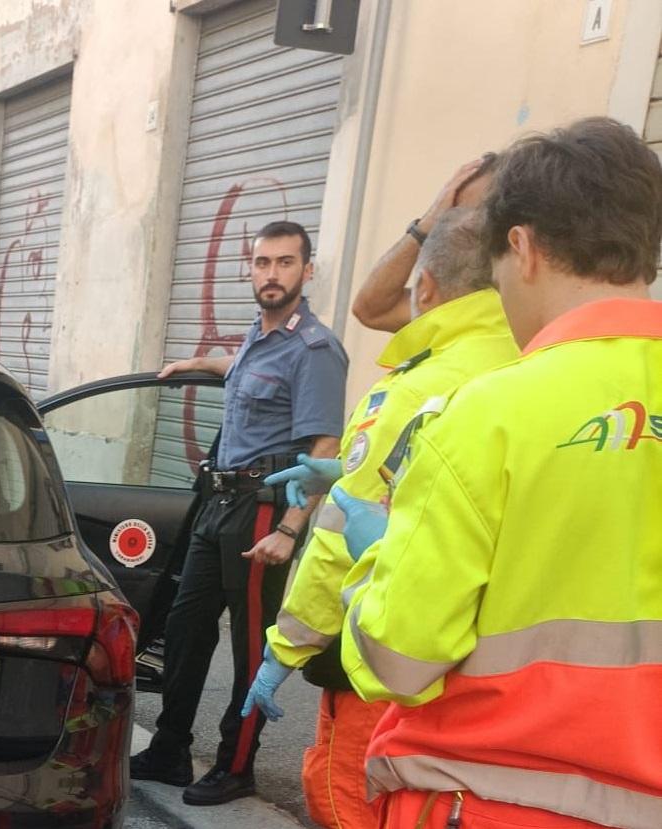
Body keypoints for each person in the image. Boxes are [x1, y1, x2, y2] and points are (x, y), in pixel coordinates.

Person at [336, 117, 662, 828]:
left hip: (490, 800)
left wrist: (374, 560)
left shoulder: (484, 414)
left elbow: (399, 657)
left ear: (521, 247)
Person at [245, 207, 519, 829]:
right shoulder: (526, 369)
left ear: (425, 288)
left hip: (393, 650)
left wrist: (286, 649)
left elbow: (343, 534)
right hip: (493, 666)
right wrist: (345, 468)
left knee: (348, 796)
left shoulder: (414, 389)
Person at [130, 221, 349, 806]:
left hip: (262, 509)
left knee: (250, 644)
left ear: (307, 271)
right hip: (219, 503)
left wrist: (288, 529)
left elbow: (324, 448)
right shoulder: (260, 334)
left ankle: (235, 764)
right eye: (261, 263)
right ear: (249, 270)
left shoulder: (316, 350)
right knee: (185, 627)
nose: (271, 274)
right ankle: (170, 748)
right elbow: (241, 371)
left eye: (284, 263)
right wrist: (195, 363)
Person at [351, 154, 496, 333]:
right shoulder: (457, 293)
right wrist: (427, 223)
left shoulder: (527, 296)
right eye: (453, 212)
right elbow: (371, 311)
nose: (460, 224)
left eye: (476, 215)